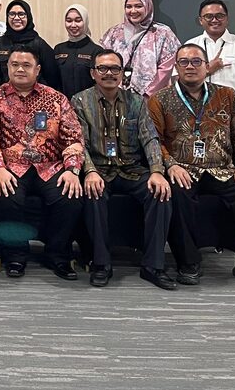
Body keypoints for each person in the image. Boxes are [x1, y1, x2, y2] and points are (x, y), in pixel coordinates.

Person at [148, 44, 235, 288]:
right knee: (175, 194)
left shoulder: (227, 95)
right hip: (183, 169)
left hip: (222, 169)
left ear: (206, 66)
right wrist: (170, 165)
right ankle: (188, 263)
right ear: (176, 67)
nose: (190, 67)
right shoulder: (160, 99)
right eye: (183, 62)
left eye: (196, 62)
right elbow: (153, 140)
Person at [0, 42, 84, 280]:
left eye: (26, 65)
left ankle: (57, 254)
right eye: (14, 64)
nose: (19, 69)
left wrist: (72, 169)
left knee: (70, 197)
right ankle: (15, 255)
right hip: (10, 166)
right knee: (6, 195)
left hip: (50, 166)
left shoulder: (56, 98)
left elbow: (73, 137)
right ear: (7, 67)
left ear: (37, 69)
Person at [71, 49, 175, 290]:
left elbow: (150, 138)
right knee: (93, 194)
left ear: (122, 73)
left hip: (131, 169)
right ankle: (101, 264)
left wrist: (157, 171)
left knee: (160, 193)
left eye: (115, 69)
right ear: (93, 73)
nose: (109, 73)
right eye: (103, 68)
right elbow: (78, 142)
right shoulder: (79, 101)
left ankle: (153, 265)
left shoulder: (137, 102)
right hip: (99, 169)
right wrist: (89, 171)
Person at [185, 0, 235, 117]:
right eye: (208, 16)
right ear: (201, 20)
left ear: (227, 19)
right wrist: (207, 70)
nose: (214, 20)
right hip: (199, 117)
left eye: (220, 16)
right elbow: (181, 82)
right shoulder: (190, 47)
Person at [100, 0, 180, 97]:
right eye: (129, 7)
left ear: (148, 7)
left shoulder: (162, 33)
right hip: (116, 96)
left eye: (138, 6)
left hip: (151, 97)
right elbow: (104, 62)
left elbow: (166, 68)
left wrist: (148, 95)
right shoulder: (114, 33)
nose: (133, 11)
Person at [0, 0, 61, 89]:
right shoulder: (0, 42)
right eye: (12, 14)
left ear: (28, 16)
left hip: (33, 94)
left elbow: (52, 77)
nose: (16, 18)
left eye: (21, 14)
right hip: (6, 95)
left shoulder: (38, 43)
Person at [53, 4, 99, 98]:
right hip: (63, 104)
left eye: (78, 20)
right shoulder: (59, 49)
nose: (73, 25)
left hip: (88, 103)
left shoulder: (96, 51)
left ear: (85, 21)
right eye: (69, 21)